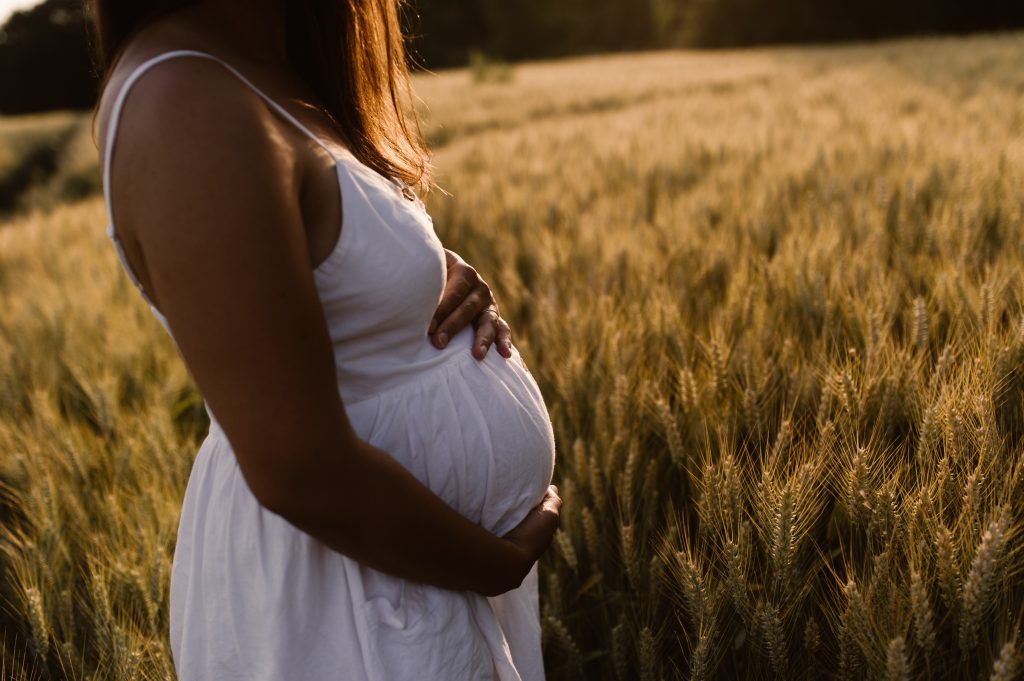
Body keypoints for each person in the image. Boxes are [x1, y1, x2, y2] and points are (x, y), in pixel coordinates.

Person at [88, 0, 561, 678]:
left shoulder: (271, 57)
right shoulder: (180, 100)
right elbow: (298, 468)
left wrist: (428, 276)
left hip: (406, 574)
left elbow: (320, 263)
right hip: (353, 598)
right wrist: (495, 563)